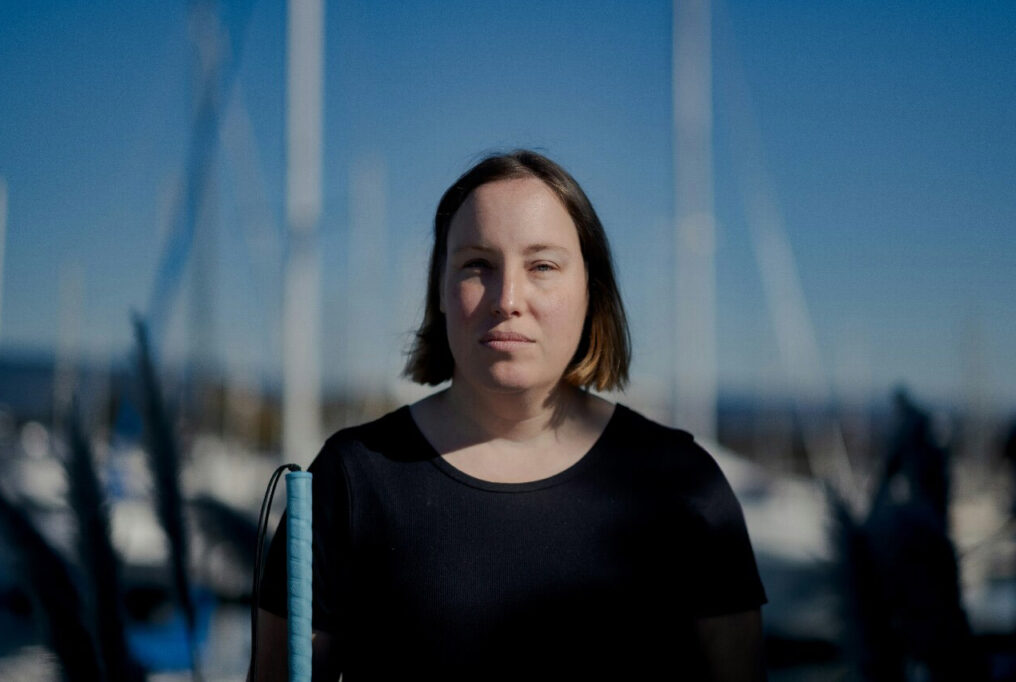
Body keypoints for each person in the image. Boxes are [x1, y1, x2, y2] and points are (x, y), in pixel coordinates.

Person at [256, 150, 767, 681]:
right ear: (440, 291)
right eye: (478, 265)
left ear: (591, 291)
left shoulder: (683, 484)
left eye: (542, 266)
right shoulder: (351, 477)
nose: (507, 298)